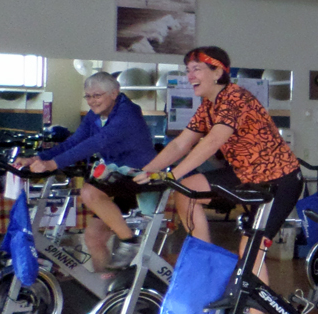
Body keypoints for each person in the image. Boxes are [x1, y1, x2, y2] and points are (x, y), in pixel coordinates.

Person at [135, 46, 303, 288]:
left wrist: (170, 175)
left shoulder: (236, 98)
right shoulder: (207, 106)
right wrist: (146, 173)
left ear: (217, 72)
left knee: (250, 248)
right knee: (185, 192)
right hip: (245, 174)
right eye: (187, 70)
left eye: (196, 69)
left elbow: (213, 141)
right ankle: (206, 264)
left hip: (279, 179)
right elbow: (180, 145)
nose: (189, 76)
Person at [15, 71, 159, 272]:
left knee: (90, 192)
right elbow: (74, 142)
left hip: (141, 178)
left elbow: (97, 142)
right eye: (88, 96)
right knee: (93, 237)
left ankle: (129, 241)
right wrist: (38, 158)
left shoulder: (128, 112)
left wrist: (54, 164)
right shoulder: (95, 115)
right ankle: (105, 287)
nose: (92, 101)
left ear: (114, 93)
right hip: (119, 179)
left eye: (97, 95)